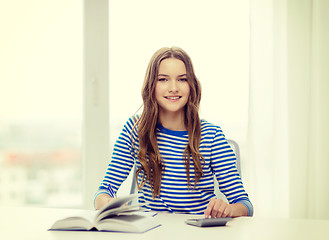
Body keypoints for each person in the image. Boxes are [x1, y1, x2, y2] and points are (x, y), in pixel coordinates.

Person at [94, 46, 253, 218]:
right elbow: (104, 191)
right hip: (152, 232)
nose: (173, 88)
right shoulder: (134, 130)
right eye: (163, 79)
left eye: (182, 79)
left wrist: (228, 209)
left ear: (191, 85)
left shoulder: (212, 136)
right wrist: (107, 203)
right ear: (151, 85)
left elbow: (245, 205)